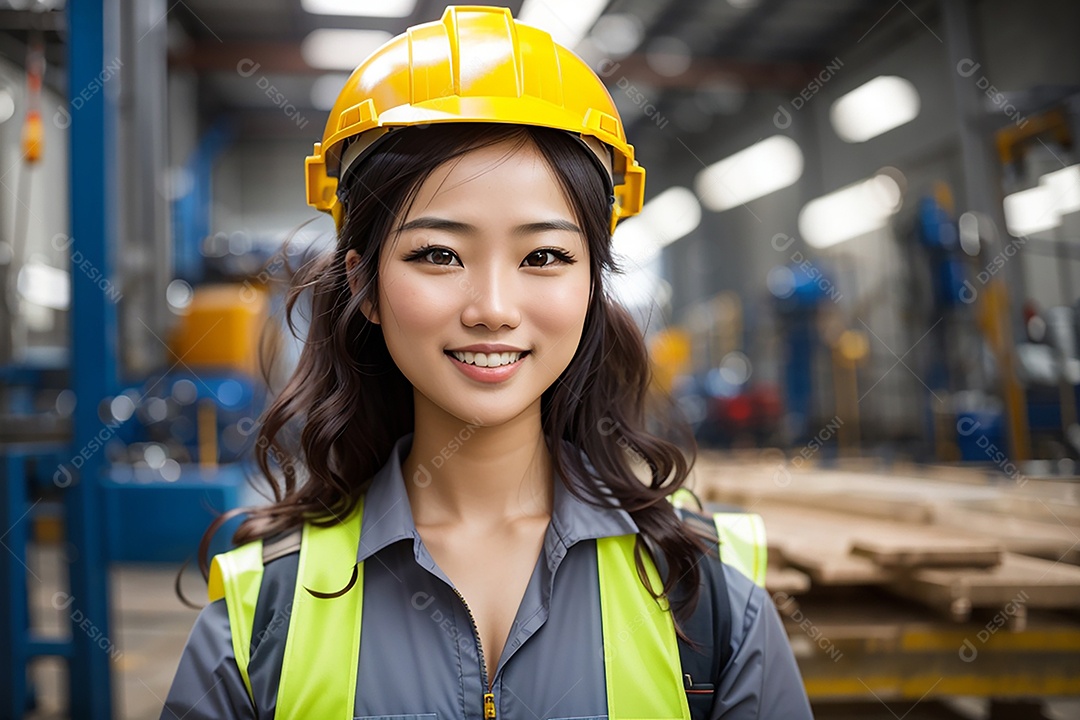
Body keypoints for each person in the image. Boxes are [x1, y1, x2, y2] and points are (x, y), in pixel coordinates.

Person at [160, 6, 814, 719]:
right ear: (364, 285)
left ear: (591, 285)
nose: (493, 308)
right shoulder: (265, 610)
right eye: (438, 254)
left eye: (544, 256)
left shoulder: (707, 592)